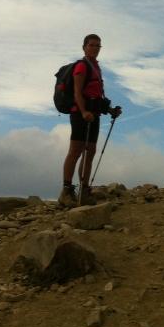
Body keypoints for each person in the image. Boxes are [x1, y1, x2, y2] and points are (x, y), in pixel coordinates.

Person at [58, 34, 121, 208]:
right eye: (92, 45)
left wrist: (109, 110)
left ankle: (84, 190)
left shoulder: (96, 68)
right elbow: (78, 92)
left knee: (90, 151)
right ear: (84, 47)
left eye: (98, 46)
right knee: (76, 150)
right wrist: (84, 110)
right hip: (80, 114)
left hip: (94, 114)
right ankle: (66, 190)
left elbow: (96, 95)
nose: (95, 48)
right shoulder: (82, 66)